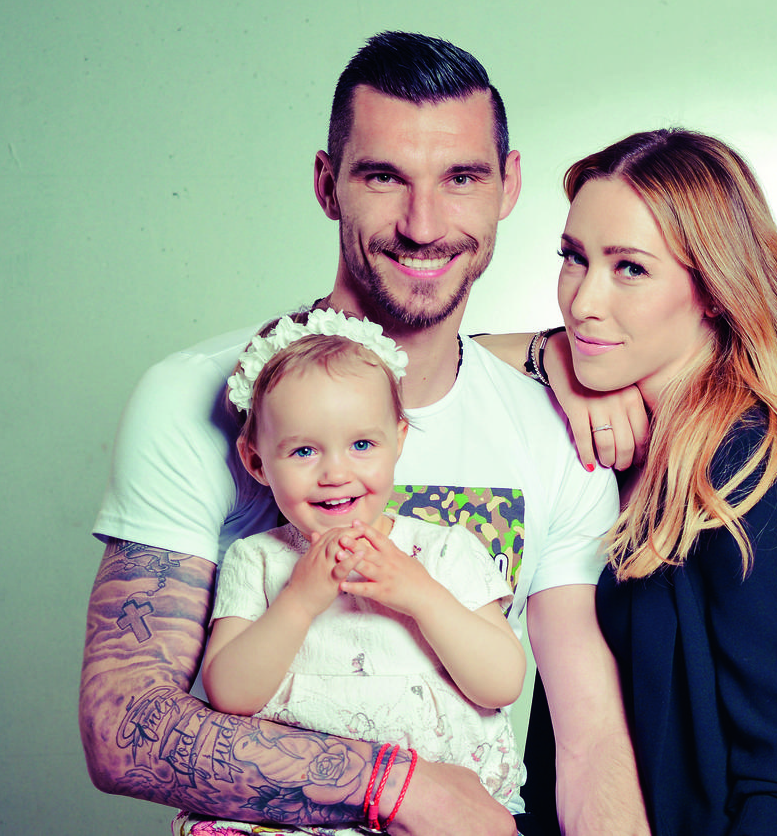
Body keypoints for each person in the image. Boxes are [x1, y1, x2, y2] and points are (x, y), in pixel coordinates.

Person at [79, 31, 647, 836]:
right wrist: (406, 788)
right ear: (327, 184)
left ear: (508, 185)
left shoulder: (558, 433)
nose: (424, 223)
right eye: (384, 176)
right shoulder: (192, 397)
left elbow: (589, 743)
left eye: (462, 177)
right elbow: (125, 727)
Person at [522, 129, 777, 834]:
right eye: (574, 257)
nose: (584, 301)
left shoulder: (758, 470)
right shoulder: (601, 439)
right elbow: (427, 369)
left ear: (714, 291)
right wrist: (549, 355)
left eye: (630, 268)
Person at [185, 311, 527, 835]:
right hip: (302, 812)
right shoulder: (257, 560)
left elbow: (501, 683)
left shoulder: (444, 550)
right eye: (304, 450)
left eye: (362, 445)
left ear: (399, 439)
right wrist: (298, 601)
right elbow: (229, 694)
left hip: (444, 810)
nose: (336, 472)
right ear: (256, 462)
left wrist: (421, 595)